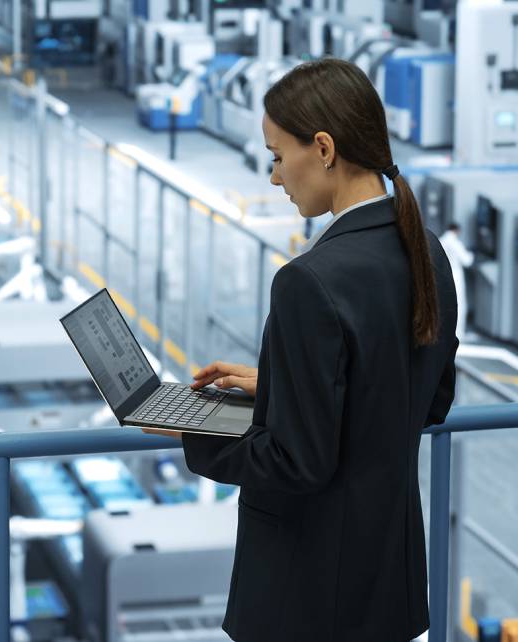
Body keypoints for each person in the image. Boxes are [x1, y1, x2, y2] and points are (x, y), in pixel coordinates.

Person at [143, 58, 458, 642]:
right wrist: (285, 385)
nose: (274, 177)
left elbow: (295, 462)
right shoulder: (426, 253)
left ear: (323, 148)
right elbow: (426, 399)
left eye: (276, 155)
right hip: (388, 581)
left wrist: (193, 428)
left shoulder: (308, 281)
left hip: (308, 595)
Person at [439, 223, 474, 341]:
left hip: (444, 275)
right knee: (460, 304)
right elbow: (467, 260)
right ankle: (459, 333)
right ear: (457, 231)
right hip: (456, 275)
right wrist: (472, 254)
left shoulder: (442, 239)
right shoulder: (455, 242)